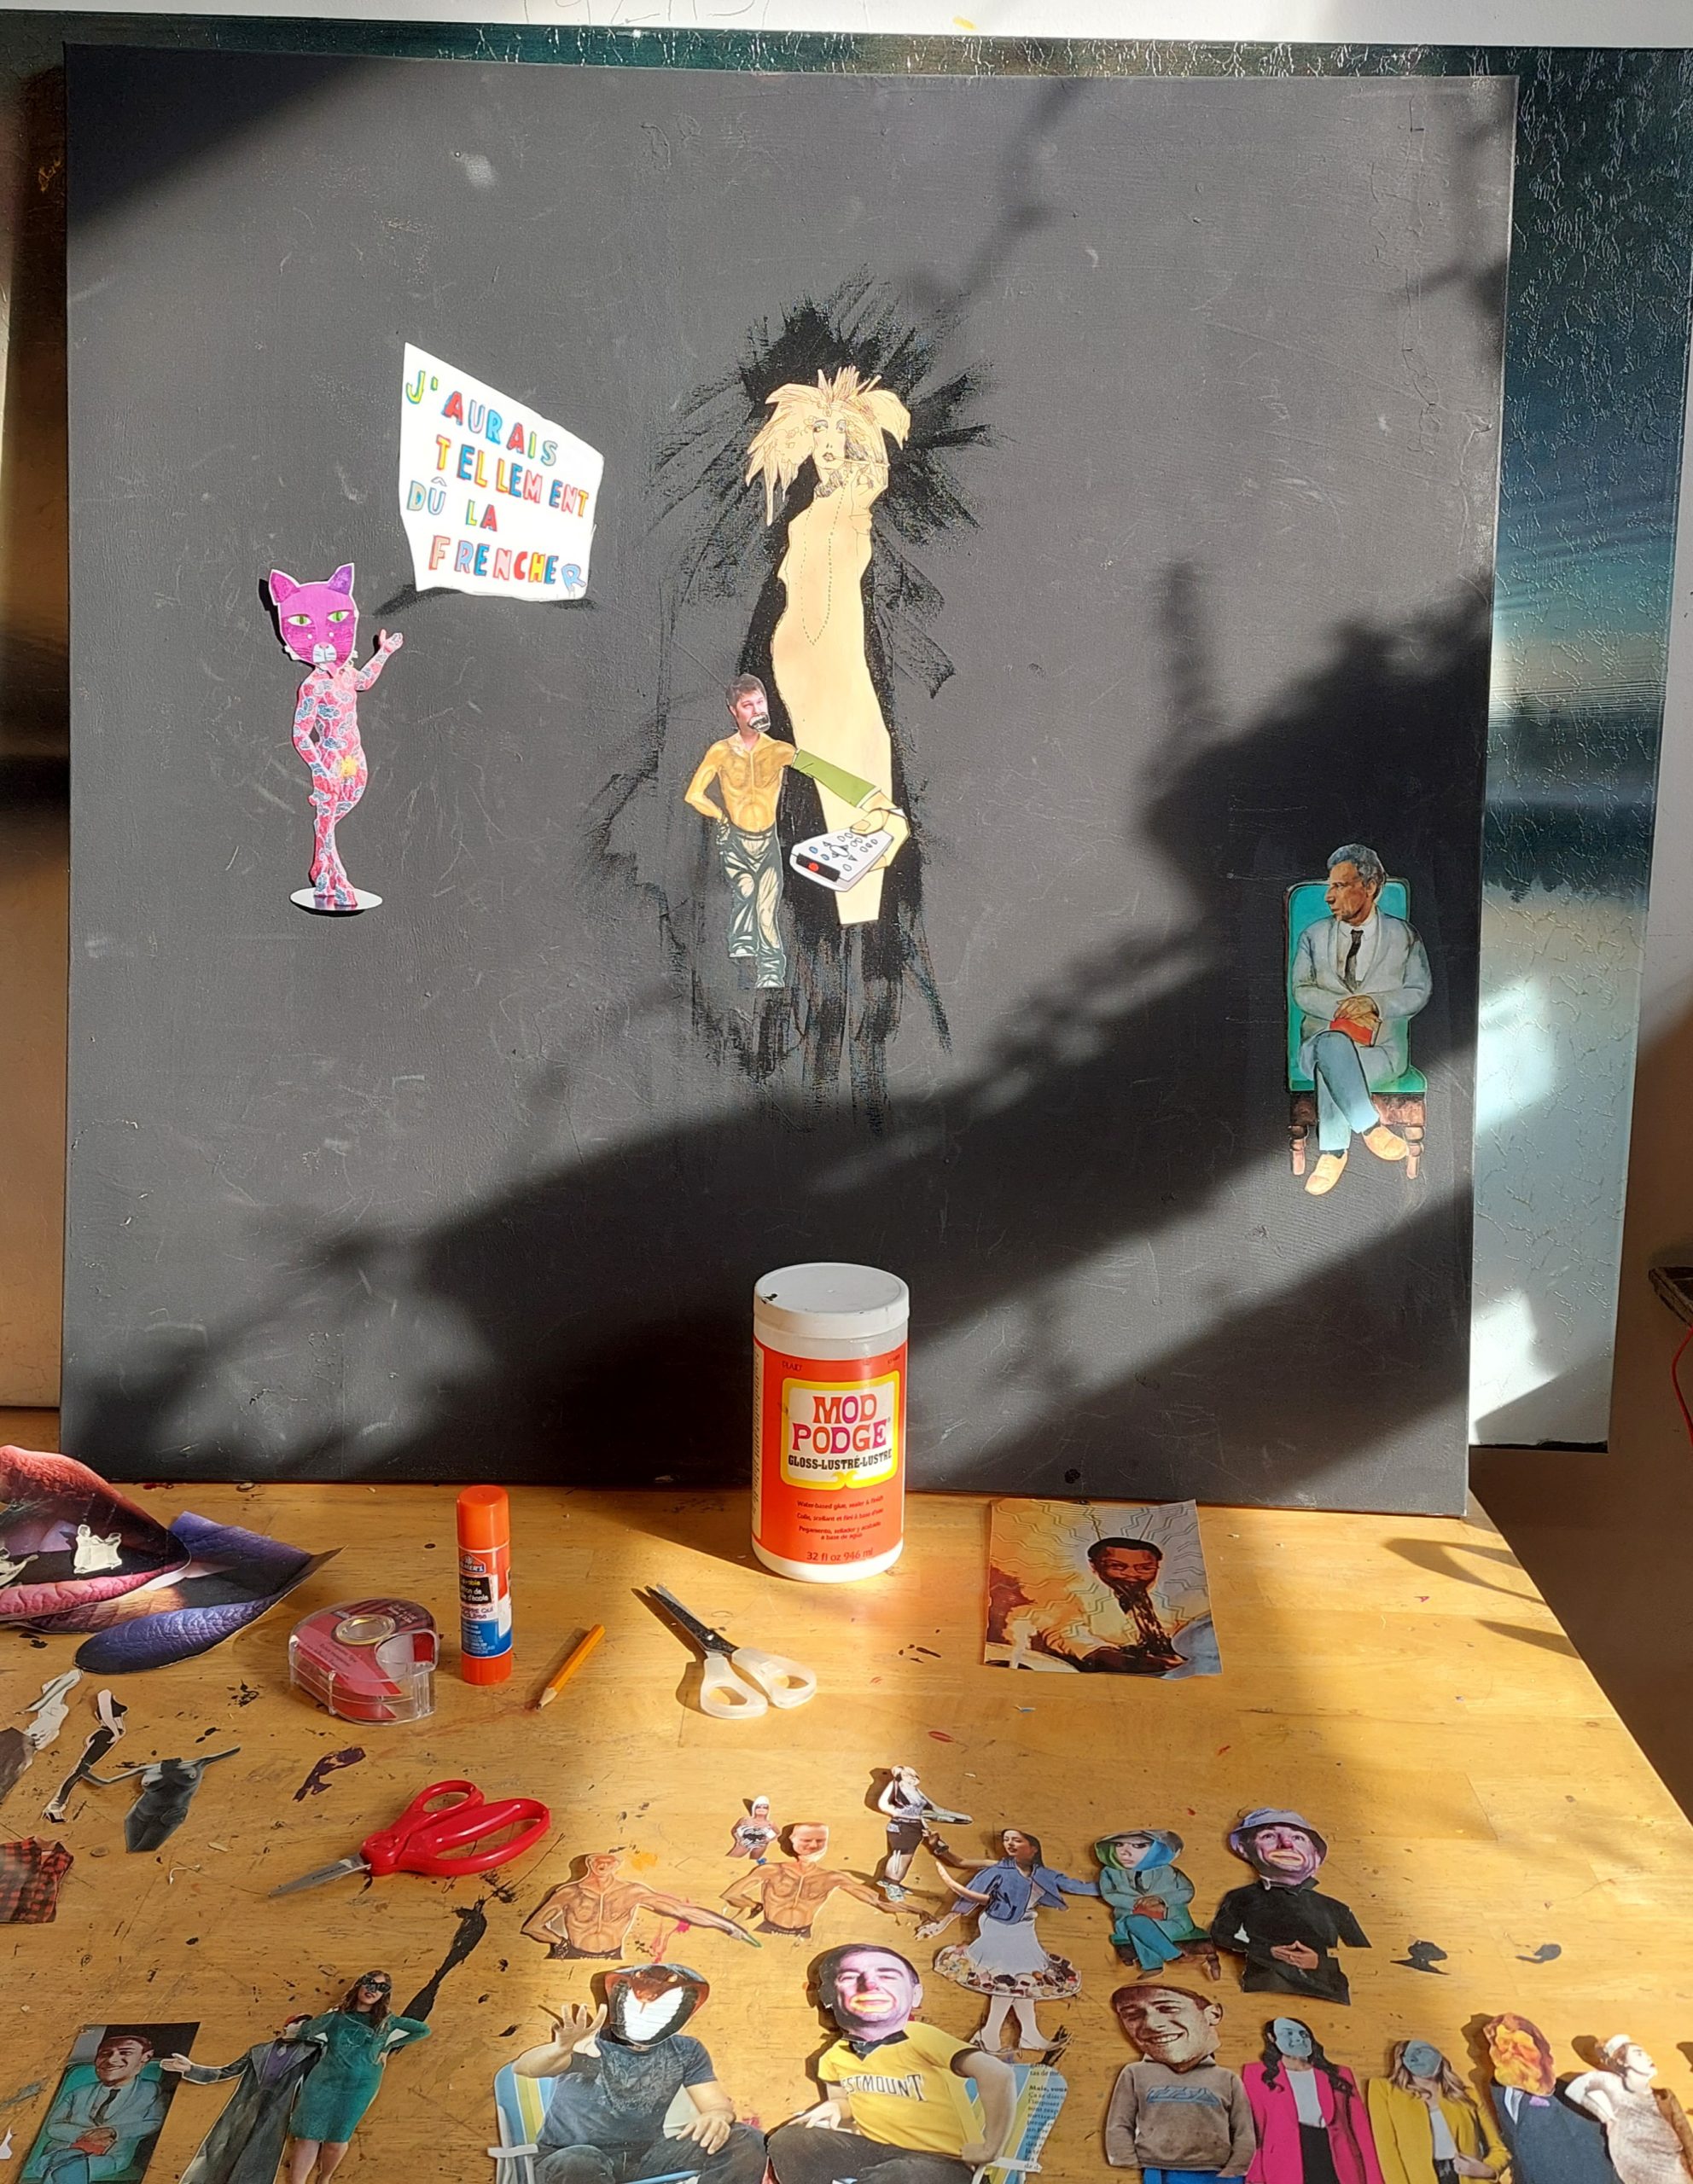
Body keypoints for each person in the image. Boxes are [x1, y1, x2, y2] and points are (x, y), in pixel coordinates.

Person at [745, 369, 914, 928]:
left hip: (832, 646)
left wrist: (864, 421)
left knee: (860, 738)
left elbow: (874, 474)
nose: (828, 442)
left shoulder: (855, 495)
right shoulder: (810, 511)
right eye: (818, 429)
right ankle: (871, 852)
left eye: (839, 430)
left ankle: (880, 839)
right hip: (800, 656)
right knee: (831, 758)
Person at [684, 677, 907, 989]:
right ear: (734, 711)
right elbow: (694, 794)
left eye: (760, 703)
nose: (757, 710)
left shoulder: (778, 751)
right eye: (748, 705)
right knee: (745, 891)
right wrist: (720, 817)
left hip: (766, 841)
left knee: (766, 909)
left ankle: (771, 970)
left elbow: (822, 770)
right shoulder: (720, 752)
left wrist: (876, 800)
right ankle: (741, 940)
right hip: (735, 839)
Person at [767, 1943, 1017, 2184]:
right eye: (850, 1977)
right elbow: (847, 2104)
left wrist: (991, 2148)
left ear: (916, 1994)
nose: (870, 1984)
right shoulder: (835, 2056)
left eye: (887, 1976)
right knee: (790, 2141)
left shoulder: (920, 2037)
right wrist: (836, 2107)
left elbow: (997, 2074)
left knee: (897, 2176)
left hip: (944, 2164)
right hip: (879, 2152)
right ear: (831, 1996)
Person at [513, 1962, 765, 2184]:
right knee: (580, 2161)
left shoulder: (686, 2050)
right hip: (569, 2160)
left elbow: (716, 2105)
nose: (648, 2008)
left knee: (745, 2139)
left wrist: (716, 2116)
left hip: (645, 2159)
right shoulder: (590, 2045)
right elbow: (525, 2067)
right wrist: (560, 2049)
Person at [1290, 843, 1432, 1198]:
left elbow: (1419, 991)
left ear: (1369, 887)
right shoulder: (1313, 936)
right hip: (1316, 1046)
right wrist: (1344, 1006)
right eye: (1330, 886)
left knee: (1332, 1067)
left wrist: (1374, 1003)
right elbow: (1300, 991)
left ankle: (1333, 1153)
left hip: (1381, 1053)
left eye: (1340, 886)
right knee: (1330, 1047)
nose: (1329, 896)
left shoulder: (1404, 936)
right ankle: (1369, 1126)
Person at [928, 1827, 1096, 2052]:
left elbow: (1075, 1886)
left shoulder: (1044, 1874)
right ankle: (994, 2034)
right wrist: (943, 1921)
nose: (1010, 1844)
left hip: (1025, 1928)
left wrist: (1117, 1888)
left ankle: (1024, 2034)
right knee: (1008, 1978)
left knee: (1023, 1979)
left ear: (1033, 1848)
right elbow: (969, 1885)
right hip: (998, 1927)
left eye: (1016, 1840)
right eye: (1007, 1840)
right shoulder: (998, 1869)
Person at [1210, 1810, 1369, 2006]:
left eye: (1298, 1837)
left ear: (1315, 1854)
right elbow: (1220, 1936)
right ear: (1244, 1849)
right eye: (1269, 1836)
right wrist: (1268, 1952)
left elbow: (1365, 1958)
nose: (1286, 1844)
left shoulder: (1337, 1908)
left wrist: (1319, 1962)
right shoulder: (1241, 1898)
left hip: (1328, 1997)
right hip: (1263, 1992)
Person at [284, 1972, 429, 2184]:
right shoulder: (337, 2018)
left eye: (381, 1988)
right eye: (369, 1983)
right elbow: (305, 2031)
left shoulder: (386, 2022)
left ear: (385, 1995)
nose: (373, 1990)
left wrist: (387, 2046)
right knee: (307, 2134)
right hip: (324, 2082)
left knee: (337, 2138)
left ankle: (324, 2178)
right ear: (359, 1985)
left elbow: (422, 2030)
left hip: (360, 2087)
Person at [1106, 1982, 1255, 2181]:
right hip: (1158, 2169)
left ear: (1213, 2014)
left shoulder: (1226, 2079)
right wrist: (1129, 2161)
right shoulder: (1135, 2074)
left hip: (1217, 2171)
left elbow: (1244, 2131)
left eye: (1168, 2008)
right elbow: (1119, 2124)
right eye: (1132, 2015)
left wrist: (1235, 2169)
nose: (1151, 2024)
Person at [159, 2016, 320, 2184]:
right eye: (297, 2023)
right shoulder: (258, 2050)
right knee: (218, 2155)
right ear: (287, 2026)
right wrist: (191, 2069)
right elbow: (227, 2071)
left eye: (306, 2024)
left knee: (257, 2161)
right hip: (242, 2109)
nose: (301, 2026)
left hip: (277, 2113)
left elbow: (314, 2084)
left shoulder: (311, 2053)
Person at [525, 1851, 753, 1959]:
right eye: (598, 1861)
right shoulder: (569, 1892)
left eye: (609, 1861)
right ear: (590, 1864)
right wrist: (560, 1943)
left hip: (611, 1957)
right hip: (573, 1954)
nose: (603, 1864)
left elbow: (681, 1910)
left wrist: (728, 1925)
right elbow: (532, 1927)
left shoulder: (631, 1892)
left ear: (616, 1865)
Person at [1482, 2014, 1620, 2184]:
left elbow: (1597, 2158)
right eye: (1504, 2048)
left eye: (1521, 2049)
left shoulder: (1570, 2098)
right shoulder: (1501, 2091)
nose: (1513, 2056)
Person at [1243, 2018, 1383, 2184]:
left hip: (1338, 2159)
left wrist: (1374, 2180)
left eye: (1304, 2034)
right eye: (1288, 2033)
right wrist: (1255, 2179)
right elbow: (1254, 2132)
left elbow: (1361, 2129)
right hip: (1286, 2163)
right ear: (1272, 2038)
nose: (1298, 2039)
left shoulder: (1339, 2074)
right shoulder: (1257, 2074)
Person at [1019, 1539, 1185, 1675]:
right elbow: (1069, 1637)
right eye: (1117, 1566)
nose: (1131, 1574)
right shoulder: (1069, 1593)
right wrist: (1134, 1663)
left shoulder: (1166, 1600)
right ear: (1094, 1566)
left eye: (1145, 1568)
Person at [23, 2029, 168, 2184]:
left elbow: (153, 2123)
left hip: (109, 2155)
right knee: (65, 2161)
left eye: (125, 2053)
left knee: (68, 2166)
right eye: (105, 2054)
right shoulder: (79, 2093)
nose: (111, 2060)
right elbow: (53, 2127)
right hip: (63, 2149)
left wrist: (113, 2132)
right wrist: (86, 2136)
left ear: (146, 2057)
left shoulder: (151, 2090)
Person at [722, 1821, 893, 1939]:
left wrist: (907, 1908)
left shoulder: (832, 1877)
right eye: (806, 1840)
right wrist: (753, 1905)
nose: (812, 1846)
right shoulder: (772, 1870)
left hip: (803, 1932)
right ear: (794, 1841)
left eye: (819, 1841)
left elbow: (873, 1899)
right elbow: (731, 1894)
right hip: (768, 1928)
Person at [1368, 2041, 1500, 2184]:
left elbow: (1499, 2149)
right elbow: (1387, 2151)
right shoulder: (1386, 2091)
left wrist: (1487, 2171)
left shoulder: (1467, 2096)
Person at [1567, 2038, 1693, 2184]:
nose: (1648, 2057)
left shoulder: (1664, 2096)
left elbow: (1685, 2133)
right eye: (1639, 2053)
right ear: (1621, 2062)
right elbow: (1577, 2088)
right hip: (1641, 2170)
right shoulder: (1613, 2088)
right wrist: (1608, 2117)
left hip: (1677, 2168)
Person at [1095, 1830, 1219, 1978]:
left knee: (1135, 1926)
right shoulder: (1109, 1872)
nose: (1125, 1852)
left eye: (1139, 1845)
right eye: (1119, 1845)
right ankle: (1168, 1958)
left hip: (1170, 1922)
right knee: (1134, 1923)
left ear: (1156, 1849)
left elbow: (1187, 1891)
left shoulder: (1168, 1871)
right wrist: (1136, 1903)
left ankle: (1159, 1962)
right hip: (1131, 1918)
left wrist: (1161, 1899)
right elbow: (1109, 1894)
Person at [876, 1768, 968, 1902]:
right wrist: (898, 1814)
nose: (909, 1777)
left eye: (910, 1775)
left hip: (916, 1826)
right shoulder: (895, 1786)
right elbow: (883, 1804)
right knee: (900, 1855)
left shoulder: (916, 1791)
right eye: (904, 1775)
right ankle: (891, 1884)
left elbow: (934, 1808)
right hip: (902, 1825)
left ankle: (896, 1882)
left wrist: (955, 1817)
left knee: (908, 1858)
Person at [727, 1797, 779, 1862]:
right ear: (754, 1808)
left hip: (760, 1845)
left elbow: (777, 1833)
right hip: (744, 1844)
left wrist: (769, 1839)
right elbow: (734, 1829)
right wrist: (739, 1838)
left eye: (765, 1808)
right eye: (758, 1807)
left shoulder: (770, 1823)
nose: (761, 1809)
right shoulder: (745, 1820)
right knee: (731, 1859)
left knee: (753, 1862)